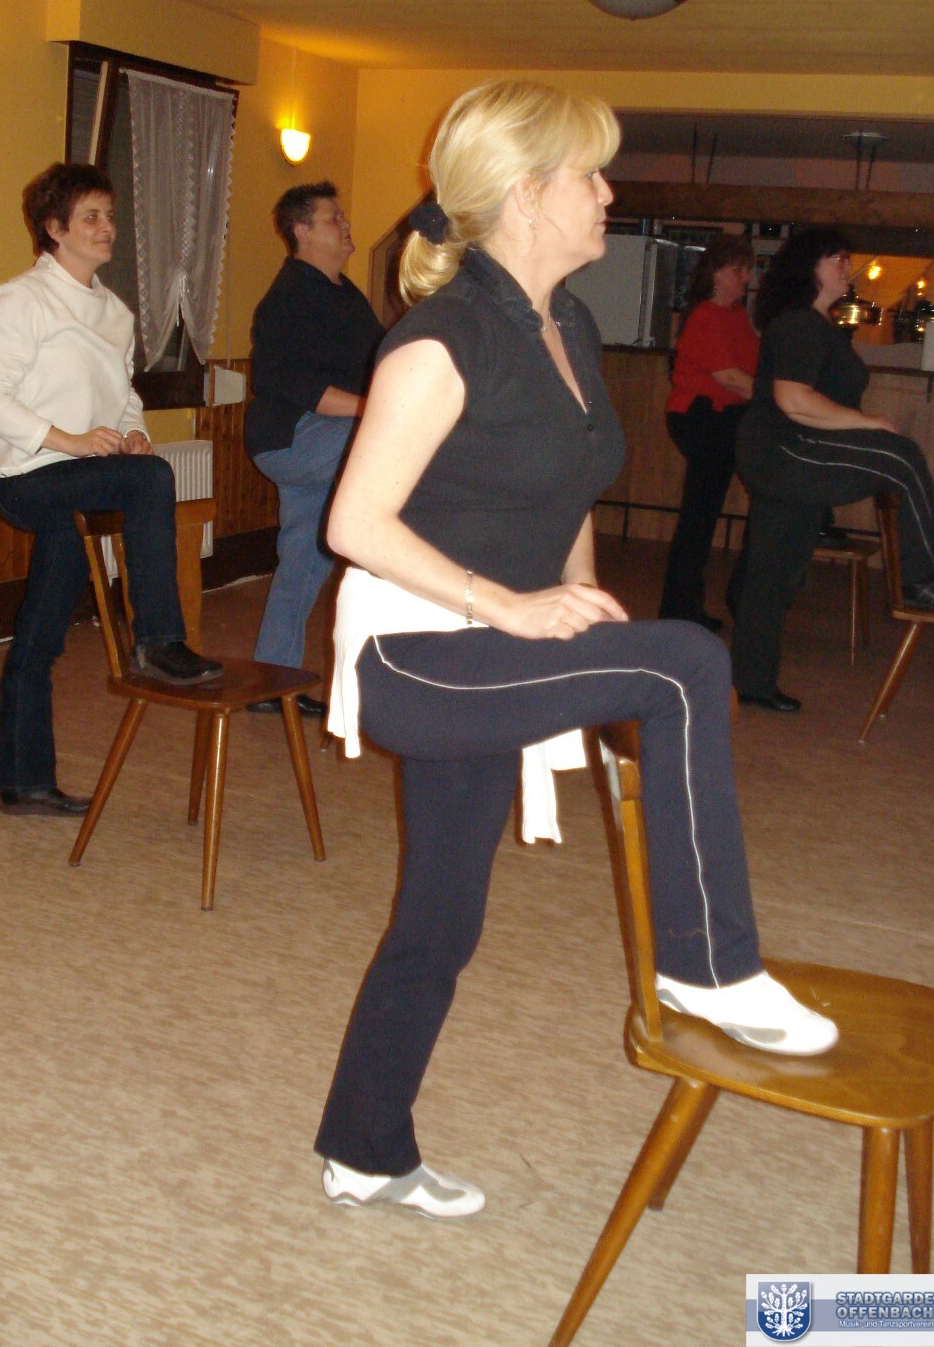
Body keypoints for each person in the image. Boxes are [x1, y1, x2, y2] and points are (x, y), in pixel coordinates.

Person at [313, 81, 838, 1223]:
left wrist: (586, 603)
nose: (608, 193)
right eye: (590, 175)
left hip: (492, 646)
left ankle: (363, 1147)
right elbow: (353, 524)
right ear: (525, 194)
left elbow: (566, 492)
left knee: (442, 917)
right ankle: (706, 965)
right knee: (688, 662)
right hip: (417, 656)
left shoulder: (571, 327)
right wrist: (511, 608)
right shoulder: (439, 341)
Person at [0, 162, 222, 818]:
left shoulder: (114, 311)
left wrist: (133, 433)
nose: (107, 227)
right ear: (54, 229)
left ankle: (24, 784)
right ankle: (156, 640)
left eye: (109, 215)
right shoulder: (20, 300)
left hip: (79, 479)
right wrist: (69, 440)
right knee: (153, 480)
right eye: (91, 217)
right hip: (27, 478)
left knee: (41, 636)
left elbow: (123, 396)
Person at [730, 228, 934, 712]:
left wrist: (859, 424)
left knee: (774, 574)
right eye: (836, 258)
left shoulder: (815, 324)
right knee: (899, 456)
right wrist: (867, 423)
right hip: (786, 451)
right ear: (809, 266)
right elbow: (793, 399)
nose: (846, 267)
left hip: (788, 452)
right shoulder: (798, 324)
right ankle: (923, 577)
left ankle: (750, 682)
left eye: (846, 258)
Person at [244, 182, 383, 717]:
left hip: (324, 438)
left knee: (306, 560)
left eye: (343, 216)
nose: (346, 225)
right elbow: (294, 385)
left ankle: (270, 683)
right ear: (302, 231)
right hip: (293, 437)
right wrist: (377, 410)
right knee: (397, 444)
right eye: (333, 218)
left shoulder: (346, 295)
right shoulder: (287, 299)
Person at [658, 235, 757, 629]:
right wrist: (775, 397)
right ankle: (681, 608)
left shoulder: (734, 315)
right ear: (716, 273)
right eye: (738, 270)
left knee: (701, 516)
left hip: (721, 417)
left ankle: (683, 607)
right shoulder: (707, 315)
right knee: (699, 517)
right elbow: (729, 377)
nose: (746, 277)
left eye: (747, 270)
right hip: (701, 416)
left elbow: (750, 369)